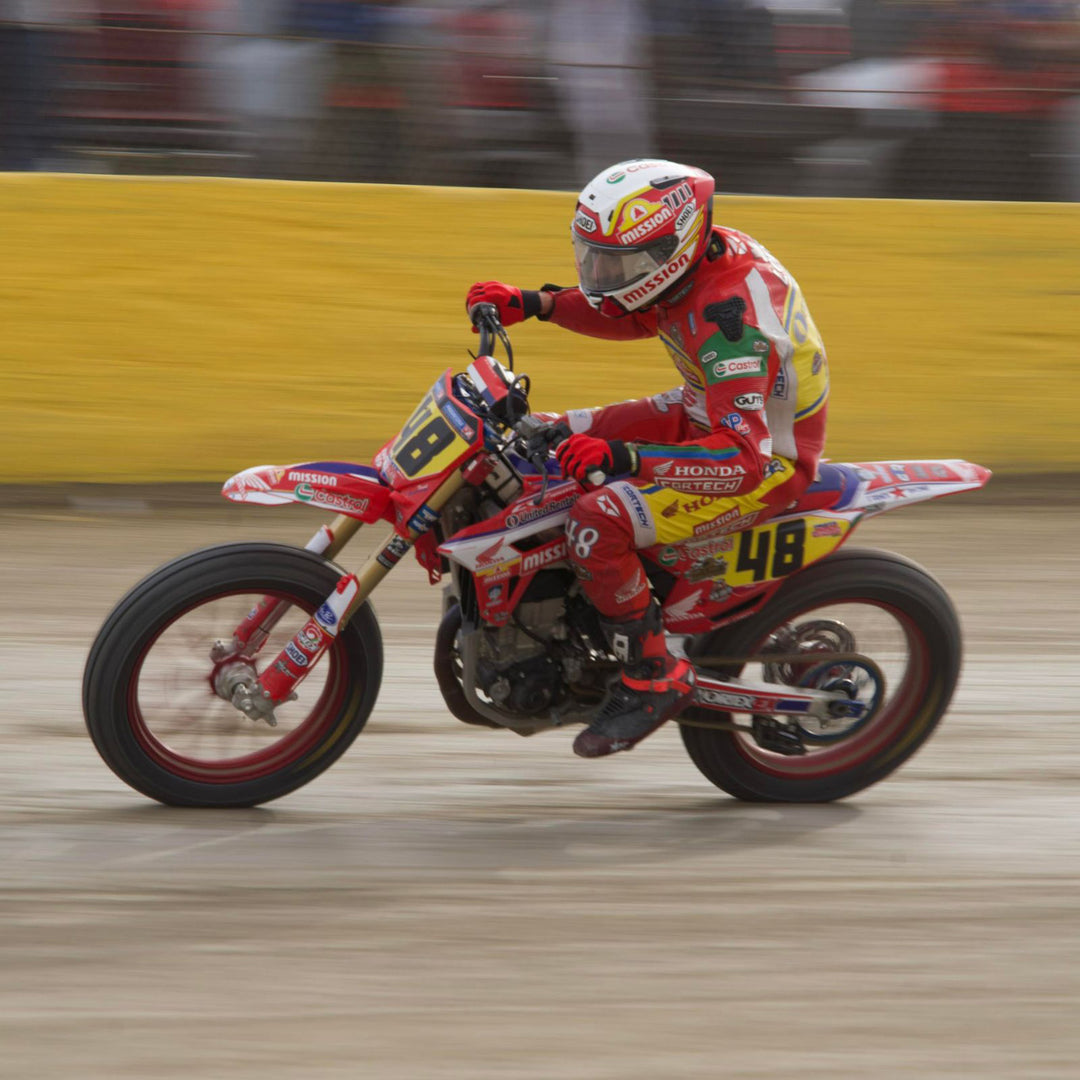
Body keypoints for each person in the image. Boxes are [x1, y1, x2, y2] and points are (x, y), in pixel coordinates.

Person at [465, 158, 829, 759]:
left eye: (618, 262)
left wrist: (622, 458)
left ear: (674, 247)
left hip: (763, 463)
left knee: (596, 518)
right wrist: (540, 304)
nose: (601, 275)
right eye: (593, 256)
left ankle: (653, 670)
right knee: (544, 434)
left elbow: (741, 459)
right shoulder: (690, 267)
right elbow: (639, 314)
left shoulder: (731, 323)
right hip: (702, 413)